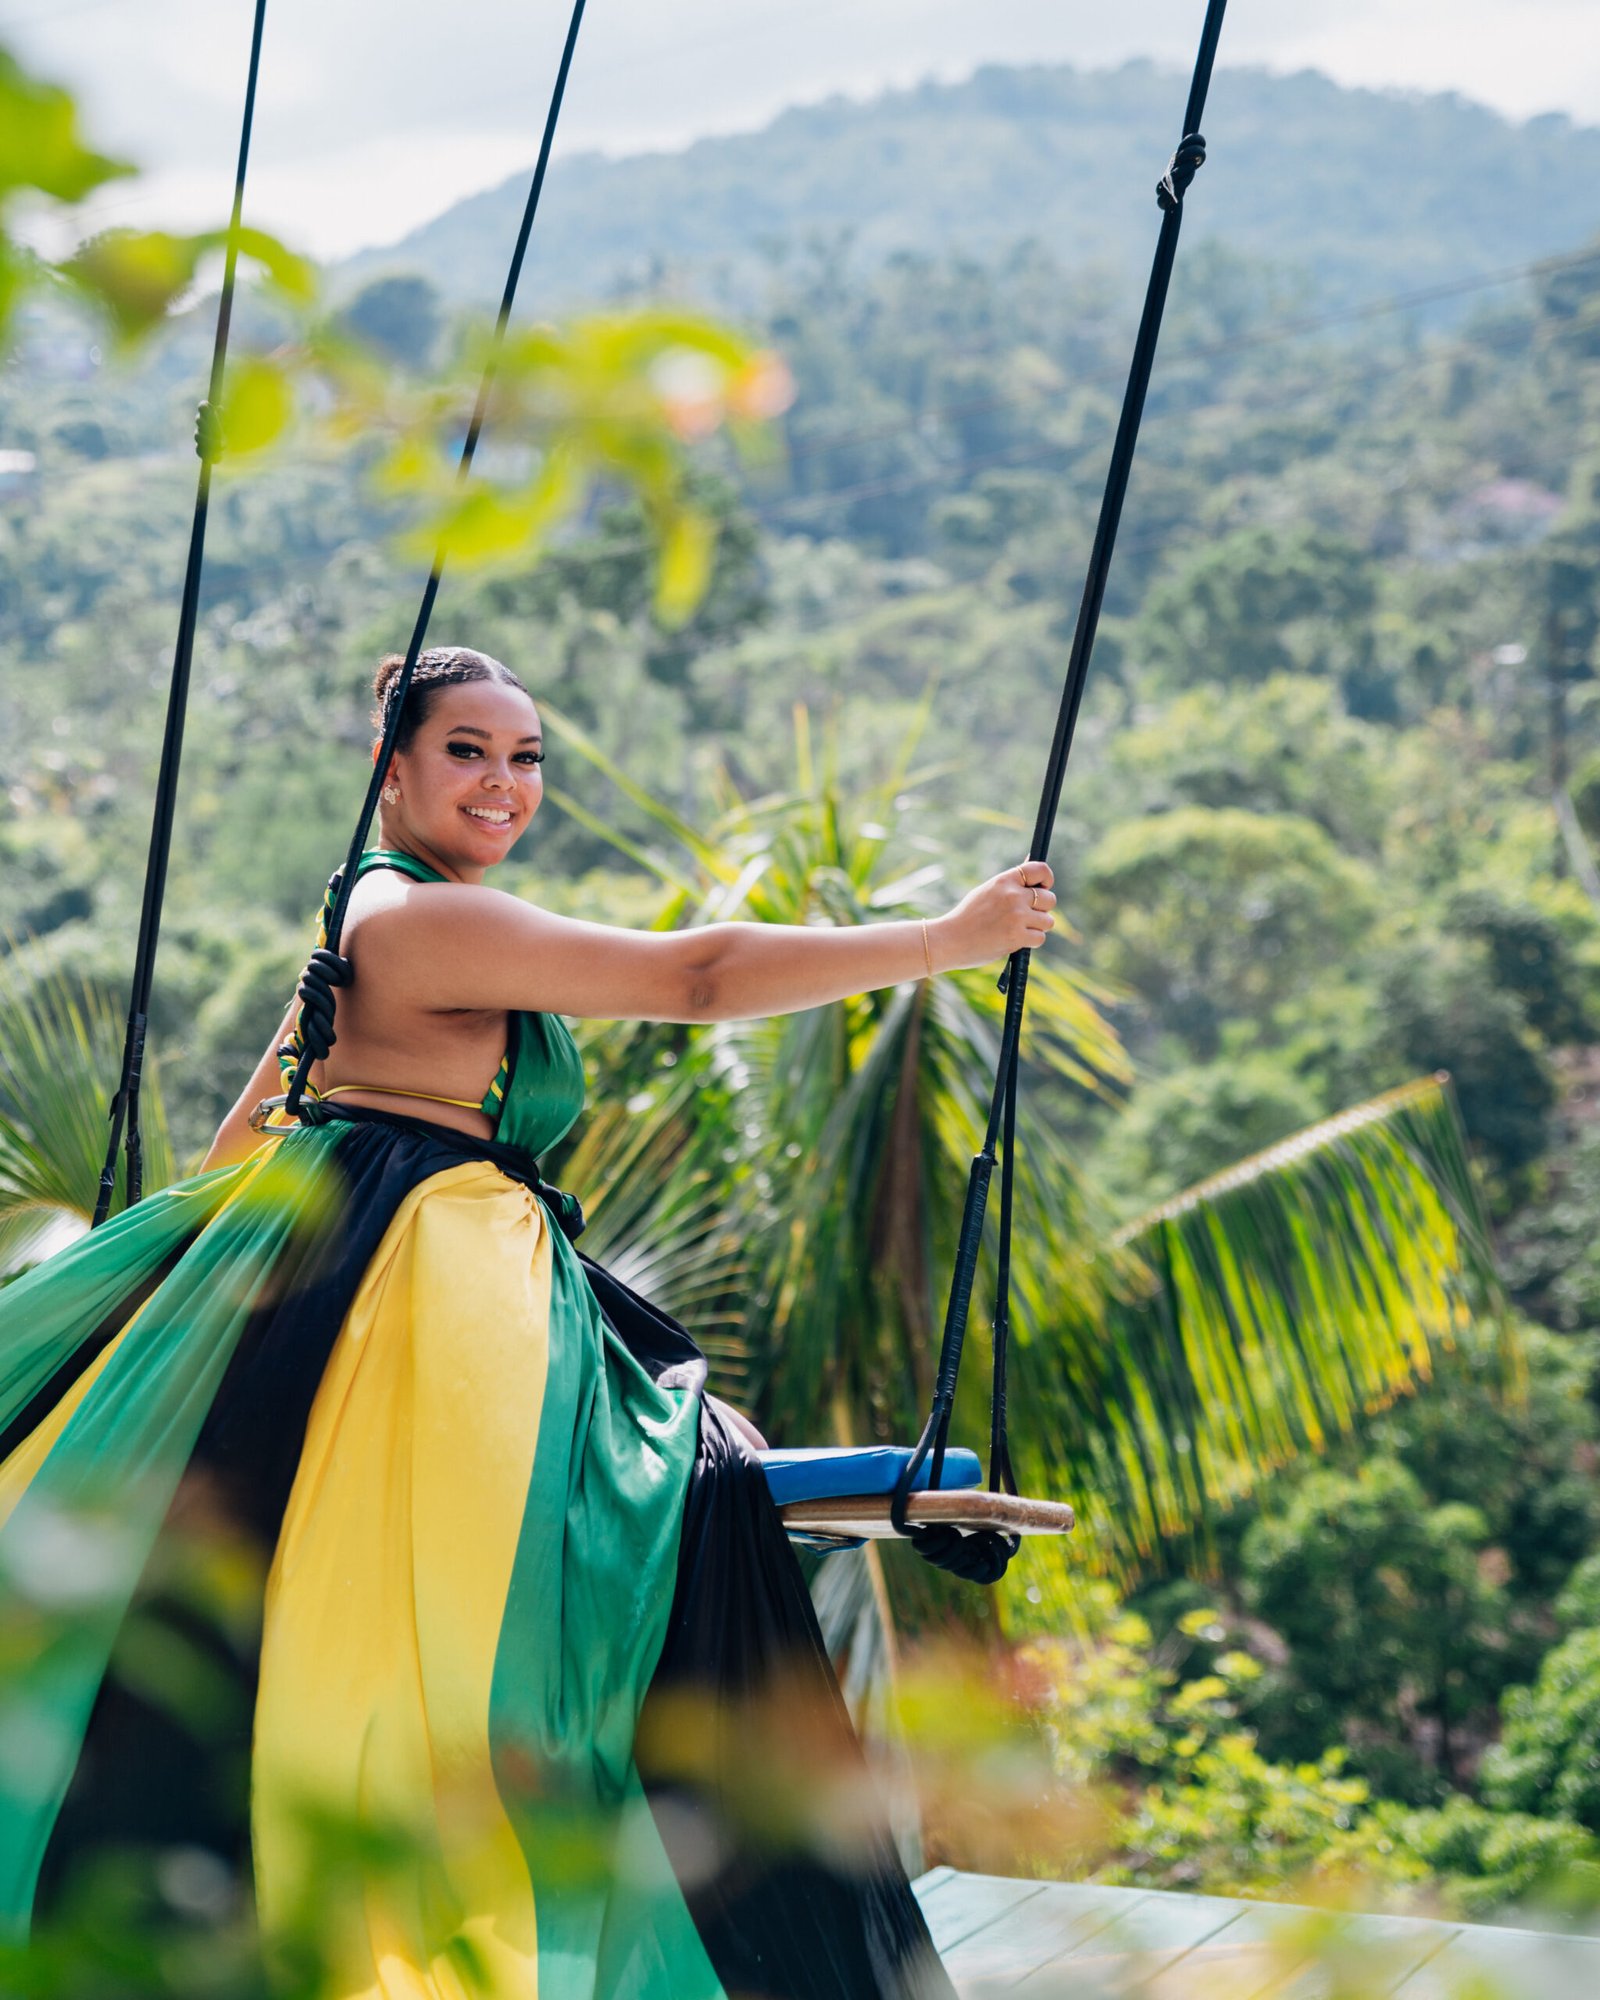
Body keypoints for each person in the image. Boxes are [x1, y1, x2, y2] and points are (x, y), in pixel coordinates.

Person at [0, 645, 1056, 1997]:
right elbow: (698, 980)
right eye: (467, 751)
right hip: (424, 1288)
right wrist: (944, 944)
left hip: (420, 1272)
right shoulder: (412, 919)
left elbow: (239, 1139)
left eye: (527, 757)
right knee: (547, 1583)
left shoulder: (367, 923)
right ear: (390, 769)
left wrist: (205, 1313)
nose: (504, 783)